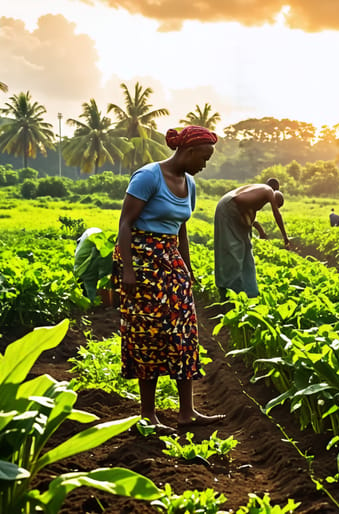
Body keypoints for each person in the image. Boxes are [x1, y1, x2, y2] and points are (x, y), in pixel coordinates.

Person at [114, 125, 224, 431]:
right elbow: (125, 223)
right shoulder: (148, 176)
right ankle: (147, 415)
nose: (205, 165)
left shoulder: (190, 184)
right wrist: (127, 269)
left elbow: (181, 228)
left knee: (184, 333)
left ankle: (187, 412)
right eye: (203, 158)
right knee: (147, 335)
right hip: (142, 260)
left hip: (171, 261)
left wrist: (186, 268)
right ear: (188, 152)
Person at [214, 181, 289, 299]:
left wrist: (261, 231)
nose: (273, 205)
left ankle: (250, 293)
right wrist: (285, 237)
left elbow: (250, 218)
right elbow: (277, 214)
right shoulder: (268, 190)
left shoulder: (256, 193)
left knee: (246, 250)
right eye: (275, 203)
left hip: (232, 209)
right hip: (227, 208)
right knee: (232, 251)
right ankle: (231, 294)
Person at [74, 227, 112, 301]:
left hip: (80, 266)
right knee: (90, 284)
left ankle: (92, 300)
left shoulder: (90, 234)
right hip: (83, 267)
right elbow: (104, 254)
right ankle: (92, 302)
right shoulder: (95, 236)